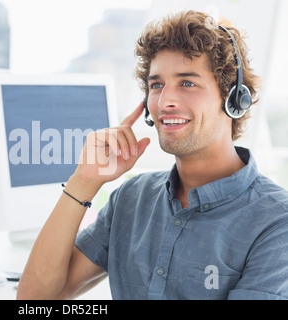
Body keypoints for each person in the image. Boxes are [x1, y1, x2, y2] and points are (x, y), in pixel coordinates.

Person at [16, 11, 288, 300]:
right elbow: (35, 301)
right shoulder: (132, 198)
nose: (165, 101)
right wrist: (83, 182)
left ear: (234, 98)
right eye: (156, 85)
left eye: (187, 83)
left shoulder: (275, 222)